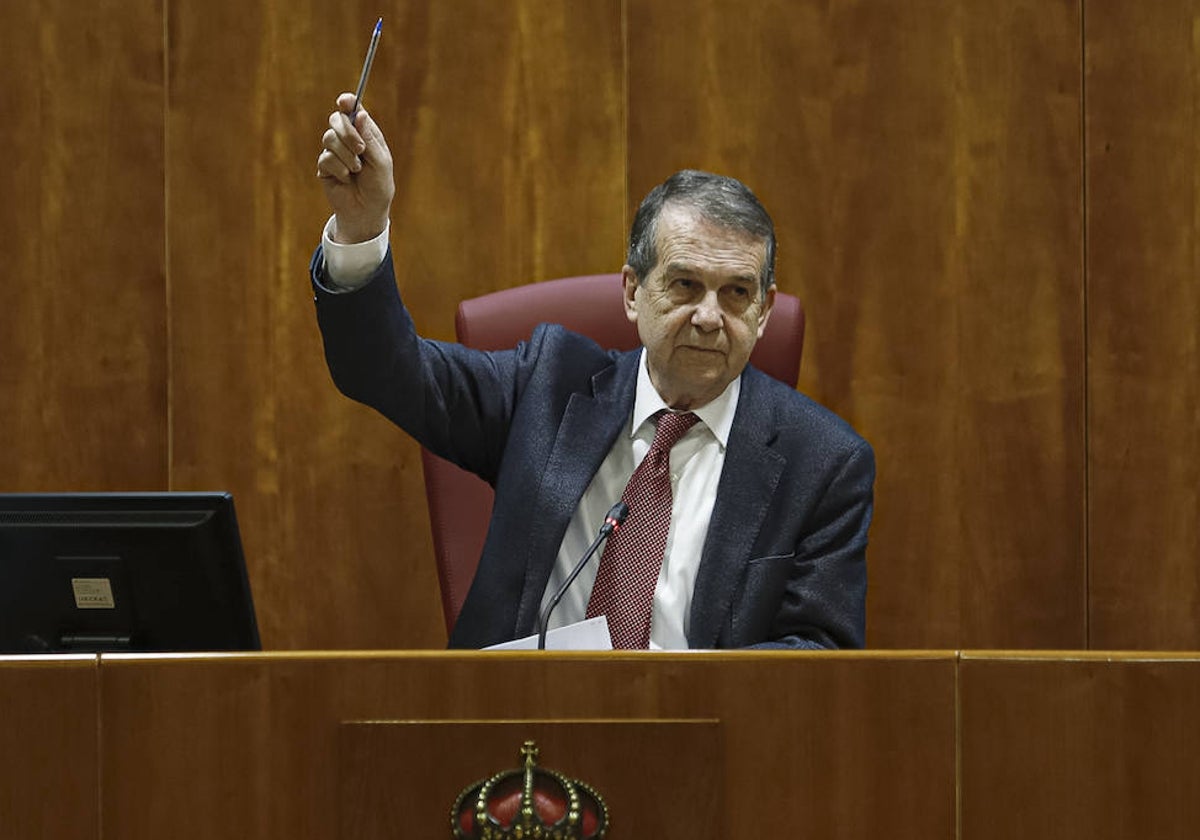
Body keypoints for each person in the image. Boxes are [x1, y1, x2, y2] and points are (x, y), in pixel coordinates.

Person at [313, 92, 874, 650]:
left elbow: (819, 657)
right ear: (633, 292)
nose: (709, 317)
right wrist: (362, 228)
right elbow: (384, 368)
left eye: (736, 294)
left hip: (699, 732)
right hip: (519, 724)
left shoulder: (823, 462)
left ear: (765, 311)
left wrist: (672, 690)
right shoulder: (546, 389)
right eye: (685, 285)